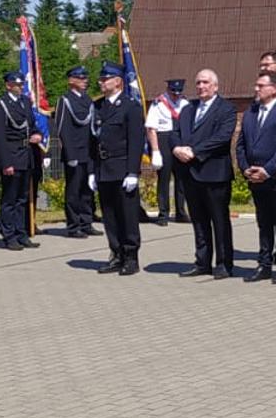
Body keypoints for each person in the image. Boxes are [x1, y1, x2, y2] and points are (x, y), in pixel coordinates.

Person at [237, 71, 276, 283]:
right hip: (256, 179)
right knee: (264, 223)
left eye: (261, 85)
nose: (256, 89)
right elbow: (241, 145)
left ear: (274, 88)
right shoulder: (250, 113)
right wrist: (246, 168)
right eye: (256, 85)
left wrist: (268, 170)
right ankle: (264, 264)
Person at [176, 69, 237, 279]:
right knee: (199, 221)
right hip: (190, 174)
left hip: (214, 174)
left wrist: (195, 151)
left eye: (205, 82)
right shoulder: (187, 109)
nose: (201, 86)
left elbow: (221, 138)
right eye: (198, 83)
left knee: (219, 220)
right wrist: (176, 148)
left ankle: (223, 263)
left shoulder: (226, 109)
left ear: (215, 86)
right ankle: (202, 261)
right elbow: (176, 133)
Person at [89, 63, 146, 276]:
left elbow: (135, 141)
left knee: (128, 215)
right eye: (100, 79)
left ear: (117, 81)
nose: (101, 83)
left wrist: (133, 171)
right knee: (110, 215)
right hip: (103, 168)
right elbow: (92, 141)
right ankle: (116, 254)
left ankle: (131, 257)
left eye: (105, 79)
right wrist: (92, 171)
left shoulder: (130, 106)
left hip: (122, 168)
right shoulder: (97, 107)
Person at [0, 71, 45, 250]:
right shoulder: (0, 105)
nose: (20, 87)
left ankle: (21, 233)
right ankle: (9, 235)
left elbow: (32, 125)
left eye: (21, 84)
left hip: (25, 154)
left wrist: (37, 134)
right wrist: (5, 162)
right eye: (17, 84)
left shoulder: (25, 102)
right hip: (11, 154)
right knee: (10, 199)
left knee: (22, 198)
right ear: (8, 85)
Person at [53, 66, 98, 238]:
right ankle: (73, 225)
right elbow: (63, 128)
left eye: (85, 78)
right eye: (81, 78)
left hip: (88, 151)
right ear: (71, 81)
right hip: (75, 153)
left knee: (87, 190)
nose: (85, 81)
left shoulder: (87, 100)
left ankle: (86, 222)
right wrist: (70, 155)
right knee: (74, 190)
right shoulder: (65, 100)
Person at [145, 78, 190, 226]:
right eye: (173, 92)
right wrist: (156, 150)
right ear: (168, 90)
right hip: (163, 139)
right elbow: (151, 128)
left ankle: (181, 212)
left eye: (178, 92)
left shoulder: (185, 103)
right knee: (164, 179)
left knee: (182, 179)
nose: (176, 95)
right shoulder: (158, 104)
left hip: (180, 139)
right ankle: (163, 214)